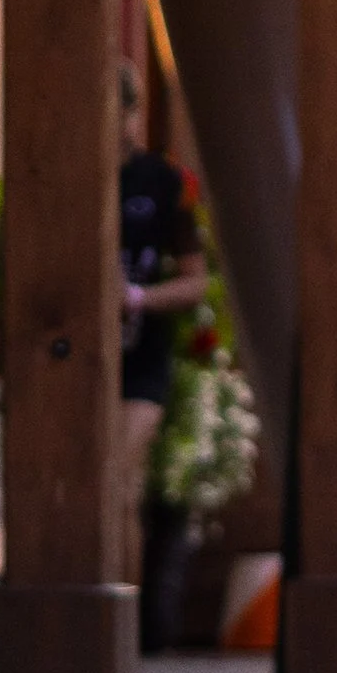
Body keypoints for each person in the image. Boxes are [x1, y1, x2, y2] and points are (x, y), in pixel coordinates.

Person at [119, 64, 209, 636]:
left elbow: (196, 280)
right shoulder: (61, 177)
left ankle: (120, 620)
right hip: (72, 353)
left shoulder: (163, 182)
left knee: (119, 479)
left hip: (143, 353)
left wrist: (137, 298)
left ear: (131, 112)